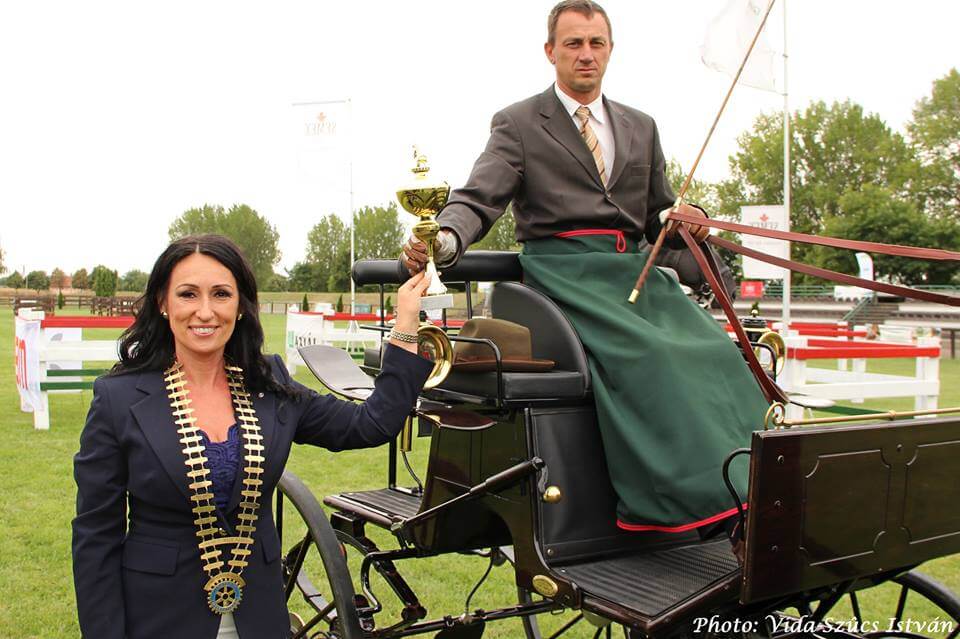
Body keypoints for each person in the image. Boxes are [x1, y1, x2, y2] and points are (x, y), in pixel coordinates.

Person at [403, 1, 769, 538]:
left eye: (596, 43)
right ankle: (691, 499)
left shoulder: (641, 127)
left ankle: (753, 483)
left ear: (610, 50)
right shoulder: (519, 122)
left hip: (634, 273)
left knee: (717, 349)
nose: (586, 55)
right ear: (551, 52)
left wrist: (689, 223)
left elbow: (657, 215)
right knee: (655, 353)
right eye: (573, 44)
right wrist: (447, 236)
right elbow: (479, 197)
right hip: (562, 274)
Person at [72, 234, 433, 639]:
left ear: (240, 306)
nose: (205, 312)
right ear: (163, 303)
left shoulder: (270, 382)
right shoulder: (118, 398)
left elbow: (370, 424)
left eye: (221, 294)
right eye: (188, 294)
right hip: (159, 617)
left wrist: (405, 324)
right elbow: (95, 537)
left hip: (259, 615)